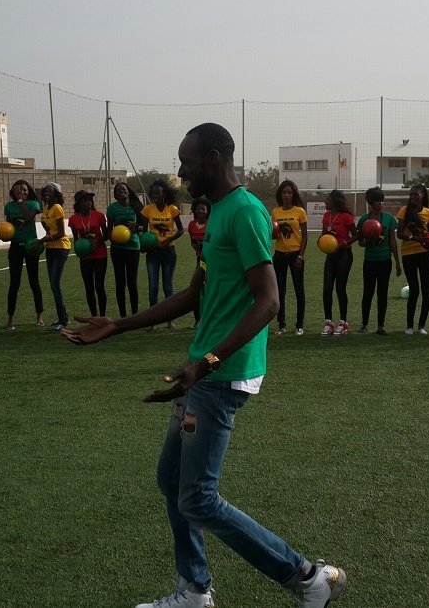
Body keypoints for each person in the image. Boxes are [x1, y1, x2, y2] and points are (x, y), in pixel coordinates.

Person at [62, 123, 346, 608]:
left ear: (214, 159)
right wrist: (119, 325)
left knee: (197, 497)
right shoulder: (216, 215)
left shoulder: (246, 213)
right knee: (172, 481)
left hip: (223, 372)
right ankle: (194, 590)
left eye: (187, 162)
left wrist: (209, 361)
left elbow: (269, 301)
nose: (180, 172)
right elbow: (194, 293)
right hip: (204, 368)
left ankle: (306, 577)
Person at [141, 179, 185, 330]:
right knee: (153, 287)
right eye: (153, 193)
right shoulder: (147, 209)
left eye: (158, 193)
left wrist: (169, 240)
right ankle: (154, 321)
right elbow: (144, 231)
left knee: (168, 287)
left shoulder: (172, 209)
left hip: (169, 252)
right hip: (153, 253)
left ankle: (170, 320)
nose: (155, 195)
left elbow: (180, 230)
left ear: (164, 194)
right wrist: (146, 245)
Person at [357, 187, 401, 334]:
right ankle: (364, 324)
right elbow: (360, 242)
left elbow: (392, 241)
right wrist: (369, 241)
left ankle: (381, 326)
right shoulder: (364, 220)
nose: (381, 203)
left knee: (382, 293)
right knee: (368, 293)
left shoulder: (388, 218)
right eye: (377, 200)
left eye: (382, 200)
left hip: (385, 262)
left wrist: (397, 262)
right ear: (370, 202)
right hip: (369, 261)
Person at [4, 180, 44, 329]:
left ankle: (39, 315)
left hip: (30, 246)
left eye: (25, 190)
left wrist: (21, 201)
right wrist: (4, 235)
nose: (23, 192)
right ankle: (10, 318)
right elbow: (8, 226)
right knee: (14, 283)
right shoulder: (9, 206)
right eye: (20, 190)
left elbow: (28, 218)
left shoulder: (34, 204)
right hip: (15, 247)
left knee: (34, 282)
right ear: (13, 191)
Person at [396, 184, 429, 335]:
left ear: (422, 195)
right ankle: (409, 326)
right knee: (414, 290)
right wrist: (414, 238)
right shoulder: (404, 211)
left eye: (415, 194)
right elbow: (399, 234)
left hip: (425, 255)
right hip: (408, 254)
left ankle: (421, 326)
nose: (412, 197)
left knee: (427, 290)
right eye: (411, 194)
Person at [271, 180, 308, 336]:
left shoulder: (300, 211)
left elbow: (305, 237)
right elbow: (273, 234)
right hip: (279, 255)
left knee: (299, 290)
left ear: (294, 195)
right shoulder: (275, 212)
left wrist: (300, 255)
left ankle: (299, 325)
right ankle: (282, 325)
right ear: (280, 195)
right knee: (280, 291)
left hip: (295, 255)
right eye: (284, 192)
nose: (287, 195)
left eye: (290, 192)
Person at [320, 189, 358, 336]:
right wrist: (321, 242)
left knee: (340, 288)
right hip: (331, 254)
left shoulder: (346, 217)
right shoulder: (326, 216)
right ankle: (328, 322)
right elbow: (324, 235)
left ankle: (343, 323)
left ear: (335, 201)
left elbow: (356, 235)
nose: (325, 202)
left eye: (328, 199)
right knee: (327, 288)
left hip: (344, 254)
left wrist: (343, 243)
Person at [69, 190, 108, 317]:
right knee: (89, 288)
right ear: (80, 202)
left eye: (90, 199)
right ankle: (94, 317)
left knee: (99, 287)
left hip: (100, 255)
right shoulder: (73, 219)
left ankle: (102, 317)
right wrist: (78, 249)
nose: (89, 202)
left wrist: (97, 240)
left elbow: (106, 235)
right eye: (86, 200)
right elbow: (76, 239)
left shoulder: (99, 216)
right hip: (85, 256)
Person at [106, 182, 143, 318]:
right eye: (118, 190)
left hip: (133, 247)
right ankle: (122, 316)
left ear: (128, 191)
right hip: (117, 249)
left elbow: (144, 227)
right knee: (120, 282)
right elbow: (109, 229)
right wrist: (112, 239)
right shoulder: (112, 208)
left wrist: (137, 228)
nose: (122, 191)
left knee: (132, 283)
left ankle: (134, 316)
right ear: (116, 194)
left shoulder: (137, 206)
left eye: (124, 189)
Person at [40, 182, 71, 330]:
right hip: (50, 249)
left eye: (51, 192)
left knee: (54, 284)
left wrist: (41, 240)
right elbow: (49, 229)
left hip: (60, 248)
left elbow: (60, 233)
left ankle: (62, 321)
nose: (47, 194)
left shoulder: (57, 208)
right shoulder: (46, 208)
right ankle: (64, 318)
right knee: (53, 285)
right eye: (46, 192)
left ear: (56, 195)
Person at [187, 197, 209, 329]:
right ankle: (198, 319)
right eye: (198, 208)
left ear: (207, 210)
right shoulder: (191, 225)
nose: (200, 211)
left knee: (209, 289)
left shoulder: (211, 223)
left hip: (210, 260)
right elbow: (192, 241)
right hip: (200, 260)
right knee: (197, 288)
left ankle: (209, 319)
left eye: (203, 209)